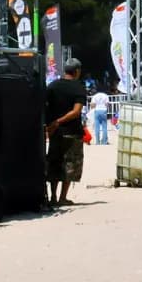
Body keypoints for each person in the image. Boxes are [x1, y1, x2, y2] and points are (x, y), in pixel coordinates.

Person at [43, 59, 87, 207]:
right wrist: (59, 121)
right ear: (77, 71)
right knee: (70, 165)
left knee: (54, 163)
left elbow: (44, 107)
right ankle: (63, 197)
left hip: (55, 133)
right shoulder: (78, 87)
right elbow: (76, 112)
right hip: (72, 132)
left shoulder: (52, 86)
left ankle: (52, 197)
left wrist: (51, 125)